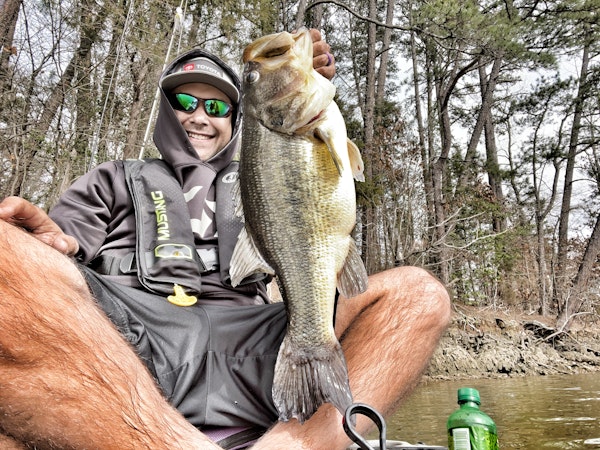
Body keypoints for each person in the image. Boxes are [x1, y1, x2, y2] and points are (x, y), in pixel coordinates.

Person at [0, 29, 451, 450]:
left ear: (237, 120)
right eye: (185, 102)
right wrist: (48, 246)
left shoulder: (265, 168)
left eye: (216, 108)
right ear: (166, 110)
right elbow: (56, 253)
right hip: (130, 341)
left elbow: (321, 180)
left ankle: (291, 446)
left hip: (256, 340)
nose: (199, 117)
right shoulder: (113, 177)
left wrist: (301, 78)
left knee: (418, 294)